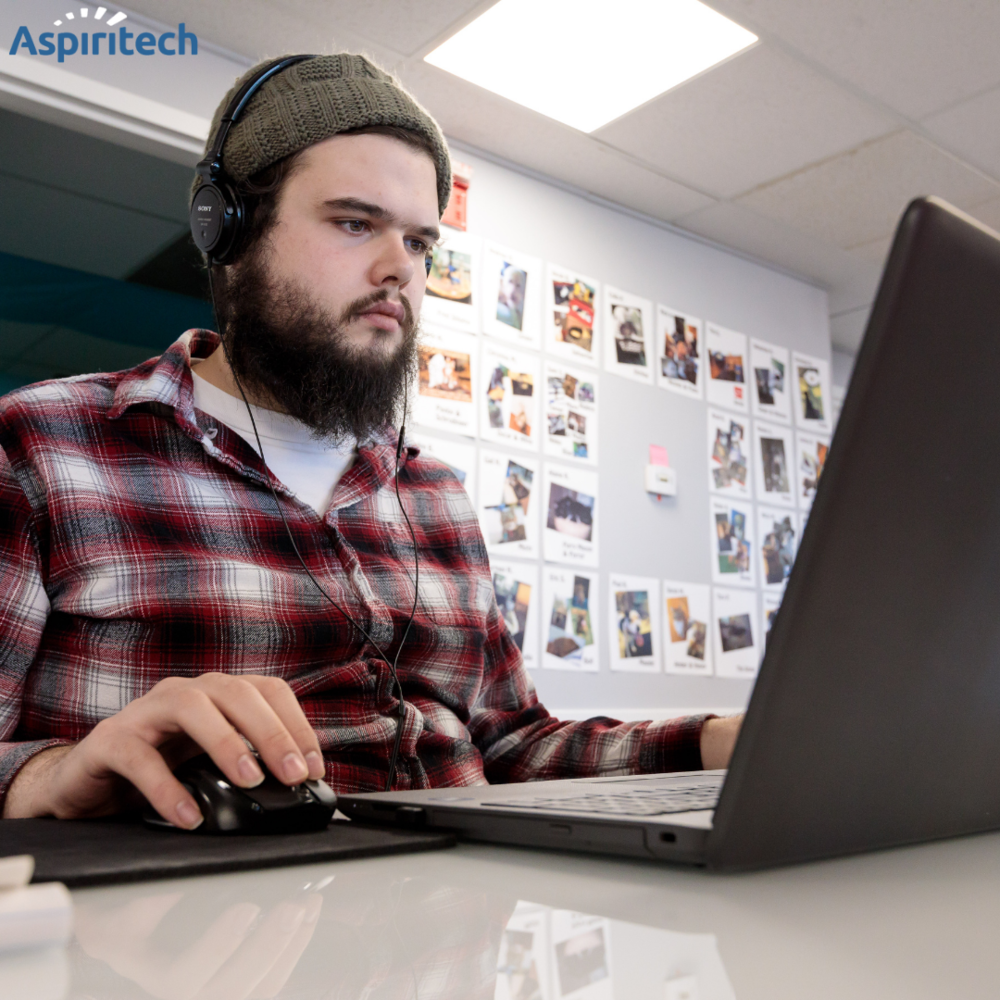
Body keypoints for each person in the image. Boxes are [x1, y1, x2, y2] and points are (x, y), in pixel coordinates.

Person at [0, 53, 741, 830]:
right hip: (214, 924)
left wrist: (721, 742)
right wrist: (54, 773)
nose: (399, 270)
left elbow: (515, 744)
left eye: (421, 243)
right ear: (230, 233)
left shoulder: (437, 496)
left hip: (477, 915)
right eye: (355, 223)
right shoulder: (46, 445)